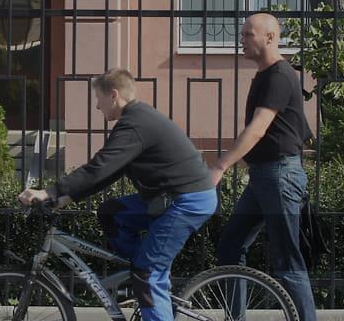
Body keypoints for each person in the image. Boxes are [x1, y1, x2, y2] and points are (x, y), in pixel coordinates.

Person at [19, 68, 217, 321]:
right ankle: (146, 271)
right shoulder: (135, 119)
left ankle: (149, 275)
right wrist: (67, 197)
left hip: (186, 201)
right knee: (111, 213)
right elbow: (109, 171)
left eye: (98, 98)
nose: (96, 106)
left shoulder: (135, 124)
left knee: (147, 272)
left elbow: (98, 167)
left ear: (113, 96)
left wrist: (48, 191)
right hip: (169, 198)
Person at [208, 13, 317, 321]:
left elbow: (257, 129)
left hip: (279, 175)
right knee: (230, 247)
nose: (241, 40)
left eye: (248, 34)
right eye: (242, 34)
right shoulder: (266, 75)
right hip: (264, 177)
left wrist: (221, 165)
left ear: (270, 37)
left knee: (287, 260)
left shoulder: (279, 75)